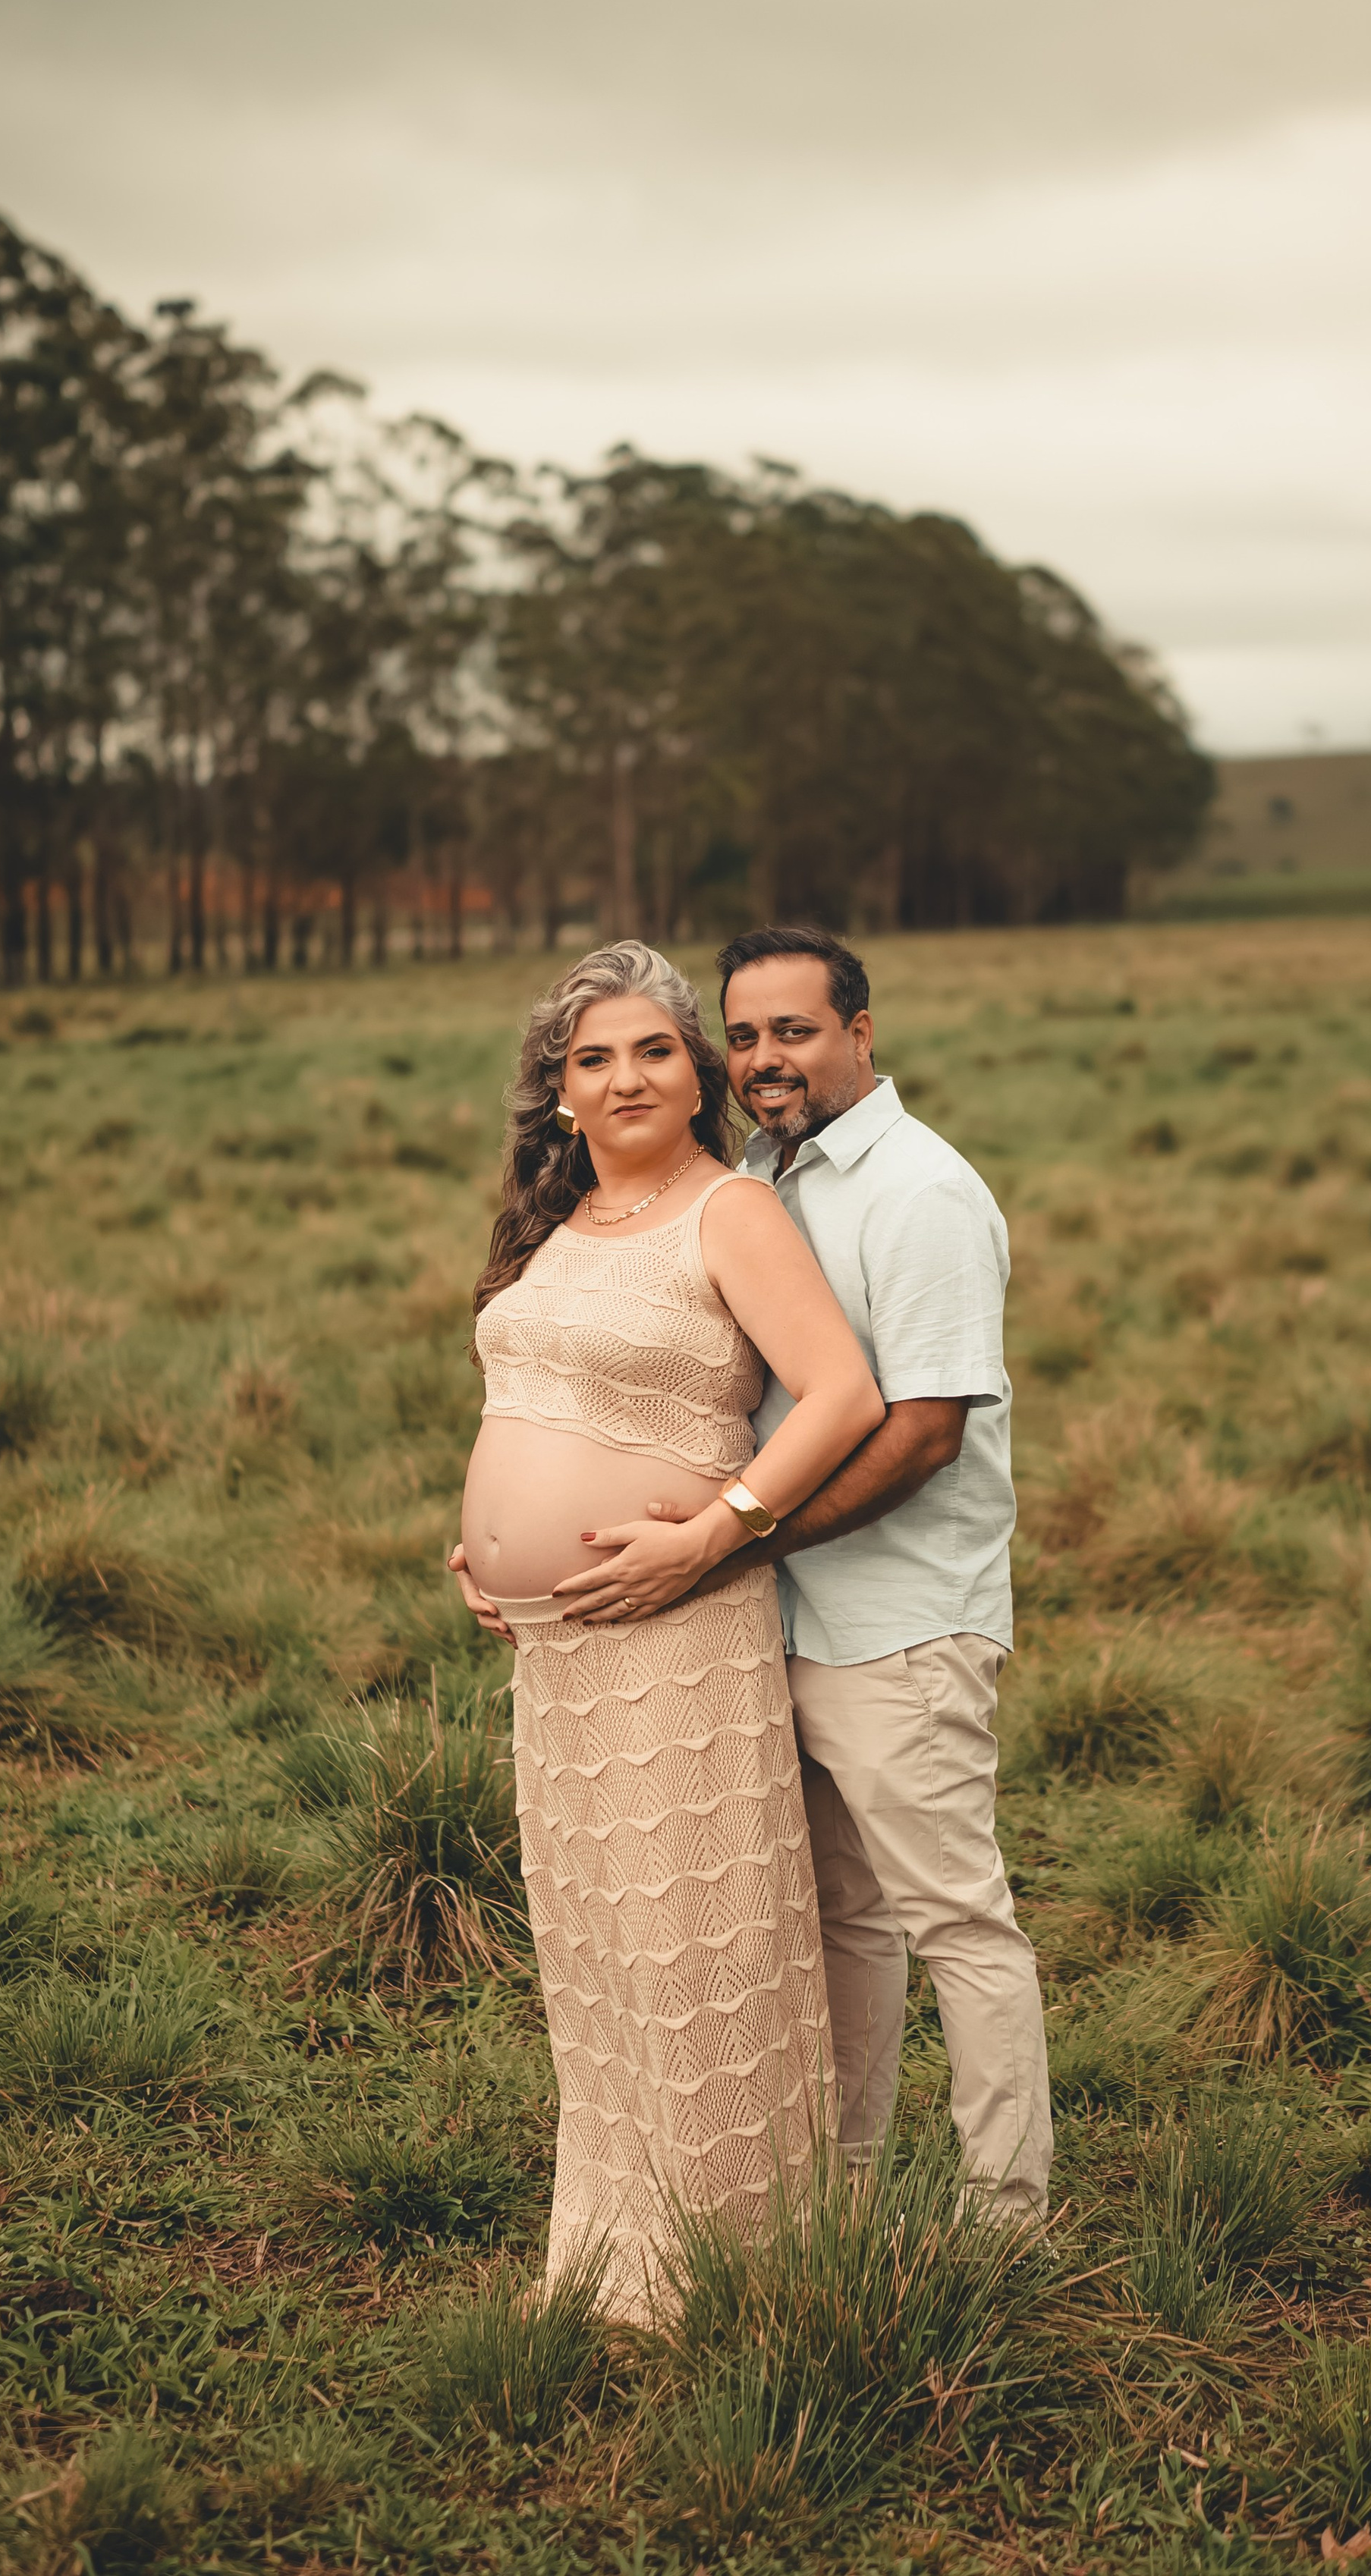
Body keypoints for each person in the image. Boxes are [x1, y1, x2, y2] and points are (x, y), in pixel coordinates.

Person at [555, 922, 1053, 2222]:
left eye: (797, 1030)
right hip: (775, 1620)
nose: (766, 1058)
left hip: (899, 1624)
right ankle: (838, 2201)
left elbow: (926, 1431)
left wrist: (732, 1539)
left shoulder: (920, 1192)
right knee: (844, 1925)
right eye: (748, 1034)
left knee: (955, 1922)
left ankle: (1008, 2225)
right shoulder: (764, 1177)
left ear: (861, 1035)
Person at [448, 939, 882, 2324]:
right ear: (559, 1094)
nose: (624, 1076)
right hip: (557, 1656)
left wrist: (717, 1530)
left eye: (651, 1050)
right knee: (596, 1958)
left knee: (699, 1948)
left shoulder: (731, 1214)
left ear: (697, 1074)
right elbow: (527, 1409)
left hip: (679, 1634)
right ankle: (616, 2255)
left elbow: (841, 1394)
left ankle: (747, 2275)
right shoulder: (551, 1230)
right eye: (591, 1058)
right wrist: (483, 1549)